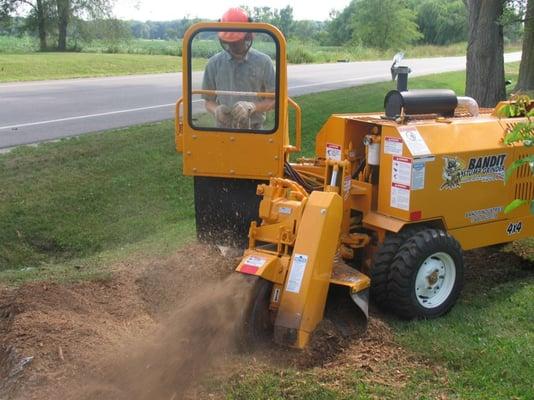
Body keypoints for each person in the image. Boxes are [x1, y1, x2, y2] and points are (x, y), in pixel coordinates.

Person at [201, 8, 276, 130]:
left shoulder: (263, 62)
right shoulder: (213, 64)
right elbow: (208, 101)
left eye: (236, 40)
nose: (232, 44)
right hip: (223, 131)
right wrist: (216, 110)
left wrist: (252, 106)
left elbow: (273, 100)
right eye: (228, 40)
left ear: (248, 36)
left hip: (255, 132)